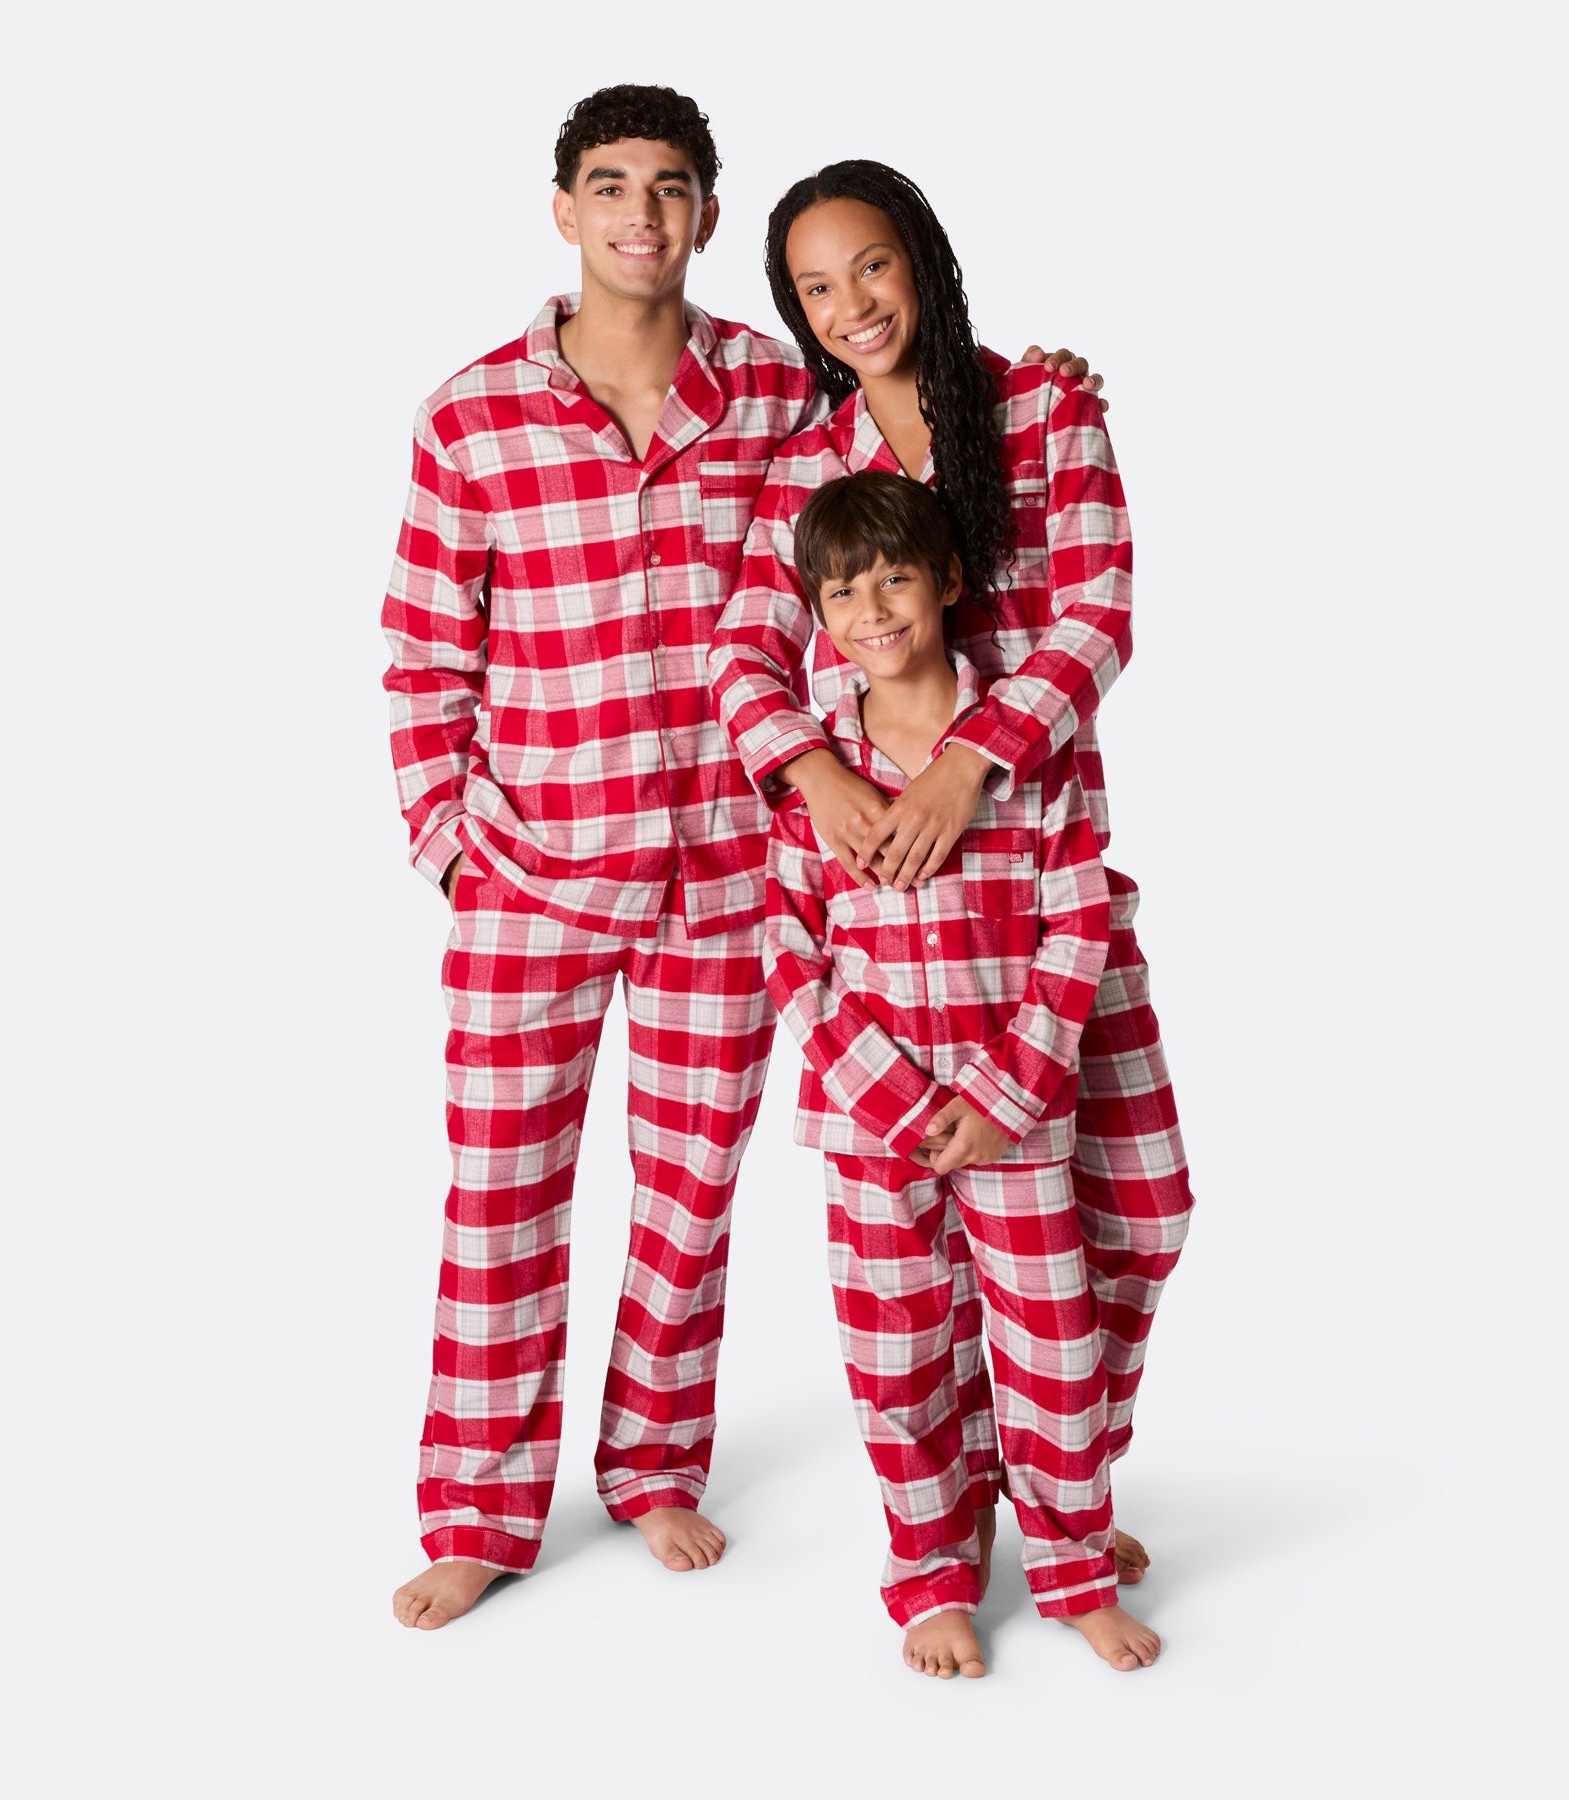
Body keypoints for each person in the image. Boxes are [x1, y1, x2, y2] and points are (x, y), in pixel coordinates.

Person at [382, 88, 1099, 1631]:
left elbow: (899, 428)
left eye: (671, 188)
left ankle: (652, 1467)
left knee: (688, 1193)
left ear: (708, 215)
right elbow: (425, 654)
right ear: (564, 210)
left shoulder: (780, 397)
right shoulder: (469, 416)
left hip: (724, 878)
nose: (640, 214)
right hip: (531, 878)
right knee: (498, 1197)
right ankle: (479, 1509)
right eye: (609, 185)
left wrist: (1037, 381)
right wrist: (452, 851)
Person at [711, 159, 1196, 1598]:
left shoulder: (1043, 407)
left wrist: (970, 764)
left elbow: (1101, 613)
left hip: (1040, 878)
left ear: (921, 257)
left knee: (1142, 1210)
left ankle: (1057, 1477)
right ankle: (977, 1505)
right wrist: (820, 774)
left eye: (871, 265)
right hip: (884, 901)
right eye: (814, 287)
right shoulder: (805, 464)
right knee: (921, 1250)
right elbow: (743, 655)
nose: (851, 304)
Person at [764, 470, 1160, 1677]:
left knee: (1053, 1349)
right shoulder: (816, 770)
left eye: (895, 580)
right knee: (900, 1359)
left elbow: (1077, 924)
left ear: (946, 583)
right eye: (842, 594)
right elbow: (793, 954)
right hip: (870, 1133)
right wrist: (892, 1102)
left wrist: (1000, 1099)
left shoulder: (1027, 751)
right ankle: (932, 1575)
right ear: (816, 614)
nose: (872, 611)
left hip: (1014, 1123)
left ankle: (1073, 1570)